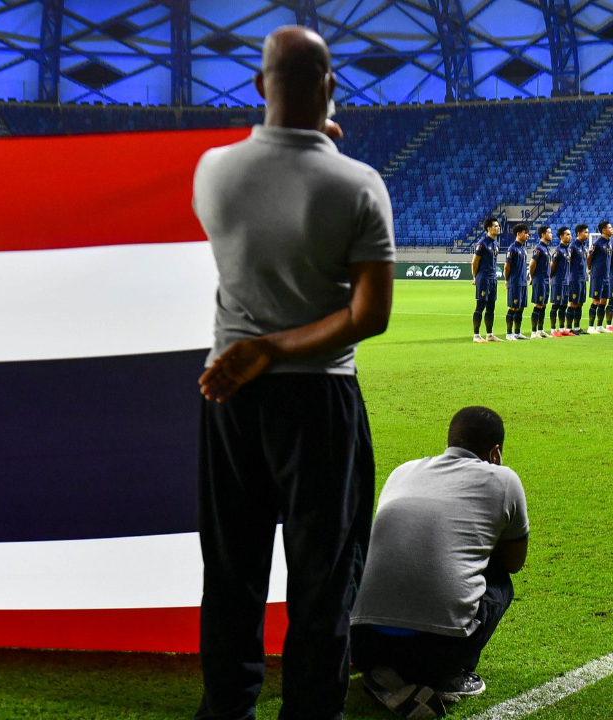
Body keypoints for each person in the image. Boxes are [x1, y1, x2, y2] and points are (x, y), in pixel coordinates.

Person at [191, 26, 395, 720]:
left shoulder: (213, 170)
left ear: (259, 85)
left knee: (232, 571)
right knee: (323, 577)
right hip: (319, 396)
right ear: (330, 85)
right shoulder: (357, 184)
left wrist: (256, 349)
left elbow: (271, 192)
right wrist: (278, 348)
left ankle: (226, 709)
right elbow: (370, 314)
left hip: (228, 393)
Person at [351, 406, 529, 719]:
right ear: (496, 453)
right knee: (500, 579)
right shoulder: (503, 479)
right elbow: (514, 561)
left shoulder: (403, 471)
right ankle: (448, 675)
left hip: (360, 640)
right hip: (436, 649)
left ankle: (385, 673)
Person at [471, 219, 502, 343]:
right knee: (480, 306)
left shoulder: (496, 244)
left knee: (491, 307)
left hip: (493, 278)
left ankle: (489, 334)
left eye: (498, 226)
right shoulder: (482, 243)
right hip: (483, 278)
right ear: (489, 228)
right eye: (495, 226)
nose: (498, 228)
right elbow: (474, 262)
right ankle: (476, 335)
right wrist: (475, 277)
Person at [502, 224, 529, 340]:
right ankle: (509, 333)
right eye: (525, 233)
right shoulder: (512, 248)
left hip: (523, 283)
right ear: (518, 234)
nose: (527, 235)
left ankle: (517, 332)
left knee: (521, 308)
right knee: (513, 308)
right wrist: (507, 280)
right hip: (515, 282)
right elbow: (507, 266)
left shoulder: (524, 249)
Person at [586, 221, 612, 333]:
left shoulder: (609, 243)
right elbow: (589, 257)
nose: (612, 229)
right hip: (597, 276)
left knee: (603, 301)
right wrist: (590, 269)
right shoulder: (597, 244)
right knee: (596, 301)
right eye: (610, 228)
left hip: (607, 277)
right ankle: (591, 326)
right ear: (604, 230)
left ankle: (600, 326)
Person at [528, 226, 552, 339]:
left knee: (543, 305)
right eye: (549, 233)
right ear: (543, 234)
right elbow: (532, 264)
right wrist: (533, 277)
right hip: (540, 280)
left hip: (546, 280)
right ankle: (534, 332)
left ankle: (540, 330)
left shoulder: (547, 248)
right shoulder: (539, 248)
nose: (551, 235)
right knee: (538, 304)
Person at [549, 227, 572, 336]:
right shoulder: (558, 250)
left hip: (566, 282)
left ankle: (562, 329)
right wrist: (552, 277)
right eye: (567, 234)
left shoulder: (568, 250)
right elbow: (552, 266)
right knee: (556, 305)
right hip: (558, 282)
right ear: (561, 236)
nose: (570, 236)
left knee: (564, 306)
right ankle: (553, 330)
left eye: (570, 234)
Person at [567, 224, 589, 335]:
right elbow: (568, 262)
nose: (587, 234)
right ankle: (568, 328)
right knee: (573, 303)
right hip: (574, 279)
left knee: (580, 303)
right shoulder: (573, 246)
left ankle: (577, 327)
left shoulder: (583, 247)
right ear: (579, 233)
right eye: (585, 232)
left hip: (582, 279)